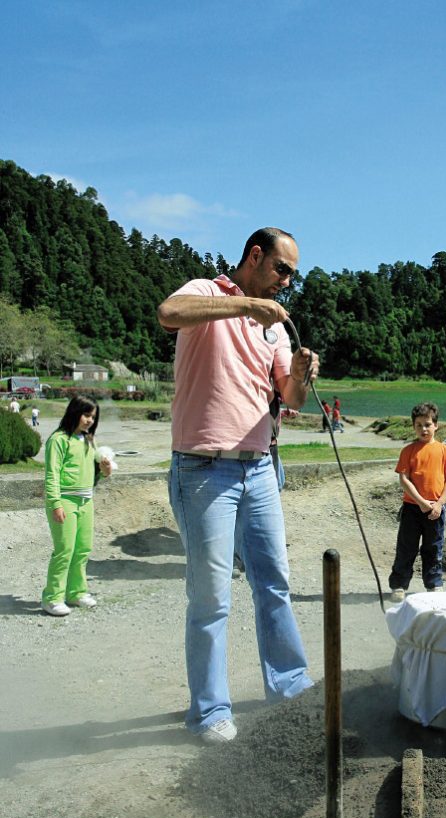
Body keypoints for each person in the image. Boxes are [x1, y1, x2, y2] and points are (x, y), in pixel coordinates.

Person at [157, 226, 318, 744]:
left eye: (292, 274)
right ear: (255, 256)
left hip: (261, 467)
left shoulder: (272, 326)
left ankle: (291, 689)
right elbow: (168, 314)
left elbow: (287, 397)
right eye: (282, 269)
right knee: (211, 598)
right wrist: (243, 307)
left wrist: (299, 372)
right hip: (204, 469)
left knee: (274, 583)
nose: (287, 282)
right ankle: (209, 712)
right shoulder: (207, 291)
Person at [41, 395, 112, 616]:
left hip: (86, 500)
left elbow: (99, 473)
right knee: (64, 551)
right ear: (74, 413)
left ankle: (76, 592)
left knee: (82, 550)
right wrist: (55, 504)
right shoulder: (59, 439)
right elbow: (51, 475)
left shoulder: (89, 440)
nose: (90, 420)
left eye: (93, 416)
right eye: (86, 415)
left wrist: (106, 469)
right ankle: (52, 598)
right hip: (64, 500)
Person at [388, 401, 446, 602]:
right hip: (412, 507)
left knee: (433, 548)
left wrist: (439, 504)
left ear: (436, 425)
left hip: (436, 509)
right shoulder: (408, 451)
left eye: (427, 424)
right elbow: (404, 479)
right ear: (413, 426)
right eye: (419, 425)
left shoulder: (445, 451)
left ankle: (434, 584)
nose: (423, 429)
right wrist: (419, 501)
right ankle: (399, 585)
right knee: (406, 548)